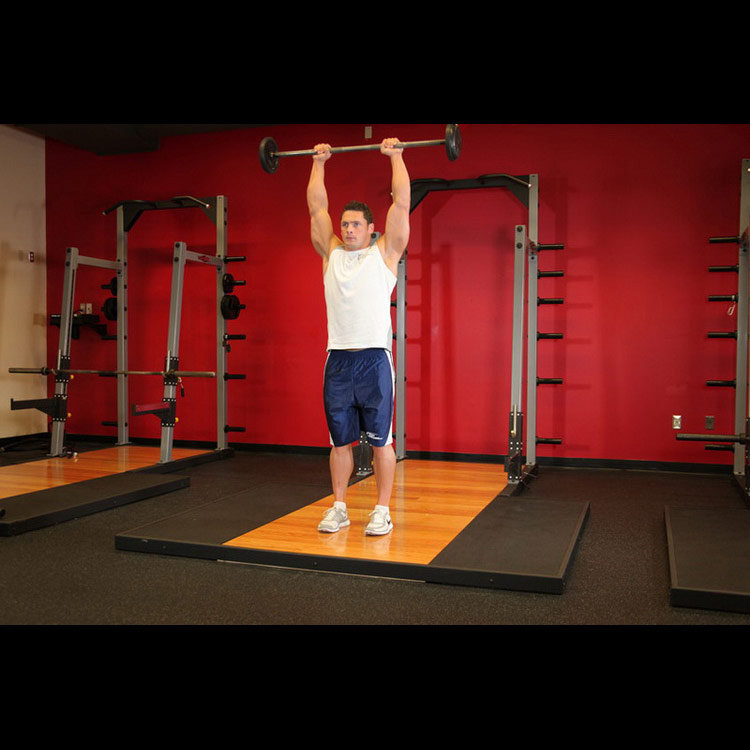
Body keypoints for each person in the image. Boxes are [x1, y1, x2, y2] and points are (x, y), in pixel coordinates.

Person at [307, 136, 410, 535]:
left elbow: (401, 204)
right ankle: (339, 506)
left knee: (381, 440)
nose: (348, 229)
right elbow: (316, 206)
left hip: (374, 360)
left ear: (371, 229)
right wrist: (319, 163)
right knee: (339, 442)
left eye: (356, 224)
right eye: (345, 223)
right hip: (338, 360)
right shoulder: (330, 254)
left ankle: (381, 510)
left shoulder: (384, 255)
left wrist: (396, 157)